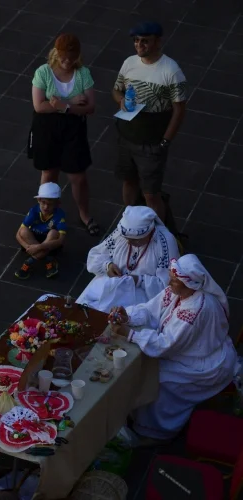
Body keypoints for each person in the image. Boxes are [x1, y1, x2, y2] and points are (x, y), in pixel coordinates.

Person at [109, 255, 237, 443]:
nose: (169, 282)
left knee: (156, 379)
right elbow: (151, 309)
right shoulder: (178, 291)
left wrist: (130, 334)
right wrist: (127, 316)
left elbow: (167, 345)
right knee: (144, 369)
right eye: (170, 277)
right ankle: (138, 413)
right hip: (186, 351)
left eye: (174, 280)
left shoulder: (194, 311)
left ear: (189, 284)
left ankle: (157, 431)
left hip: (203, 363)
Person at [112, 21, 187, 223]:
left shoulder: (171, 71)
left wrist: (165, 141)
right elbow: (116, 89)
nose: (139, 45)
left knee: (151, 194)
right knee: (129, 181)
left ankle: (159, 233)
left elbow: (179, 110)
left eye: (144, 41)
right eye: (136, 41)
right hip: (127, 136)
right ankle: (129, 222)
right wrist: (121, 101)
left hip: (152, 143)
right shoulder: (129, 63)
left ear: (157, 42)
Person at [29, 33, 100, 237]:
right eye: (63, 57)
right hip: (47, 129)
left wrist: (61, 105)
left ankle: (84, 215)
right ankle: (44, 215)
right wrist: (69, 104)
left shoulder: (83, 73)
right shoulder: (43, 72)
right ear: (56, 53)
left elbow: (90, 107)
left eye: (71, 57)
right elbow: (39, 106)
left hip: (73, 129)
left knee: (78, 176)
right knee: (49, 173)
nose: (67, 62)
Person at [77, 206, 179, 313]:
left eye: (135, 240)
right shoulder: (124, 232)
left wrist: (138, 280)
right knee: (87, 308)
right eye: (127, 239)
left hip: (142, 294)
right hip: (111, 283)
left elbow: (168, 286)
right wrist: (108, 266)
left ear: (150, 233)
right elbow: (95, 255)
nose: (129, 243)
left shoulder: (164, 243)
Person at [15, 182, 66, 280]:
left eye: (50, 204)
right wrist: (28, 247)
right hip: (32, 241)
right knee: (24, 231)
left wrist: (38, 247)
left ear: (57, 204)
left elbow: (61, 241)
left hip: (49, 243)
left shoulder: (60, 215)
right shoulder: (34, 211)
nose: (46, 207)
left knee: (54, 233)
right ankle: (48, 260)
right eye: (43, 203)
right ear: (38, 200)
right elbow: (18, 234)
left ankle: (29, 262)